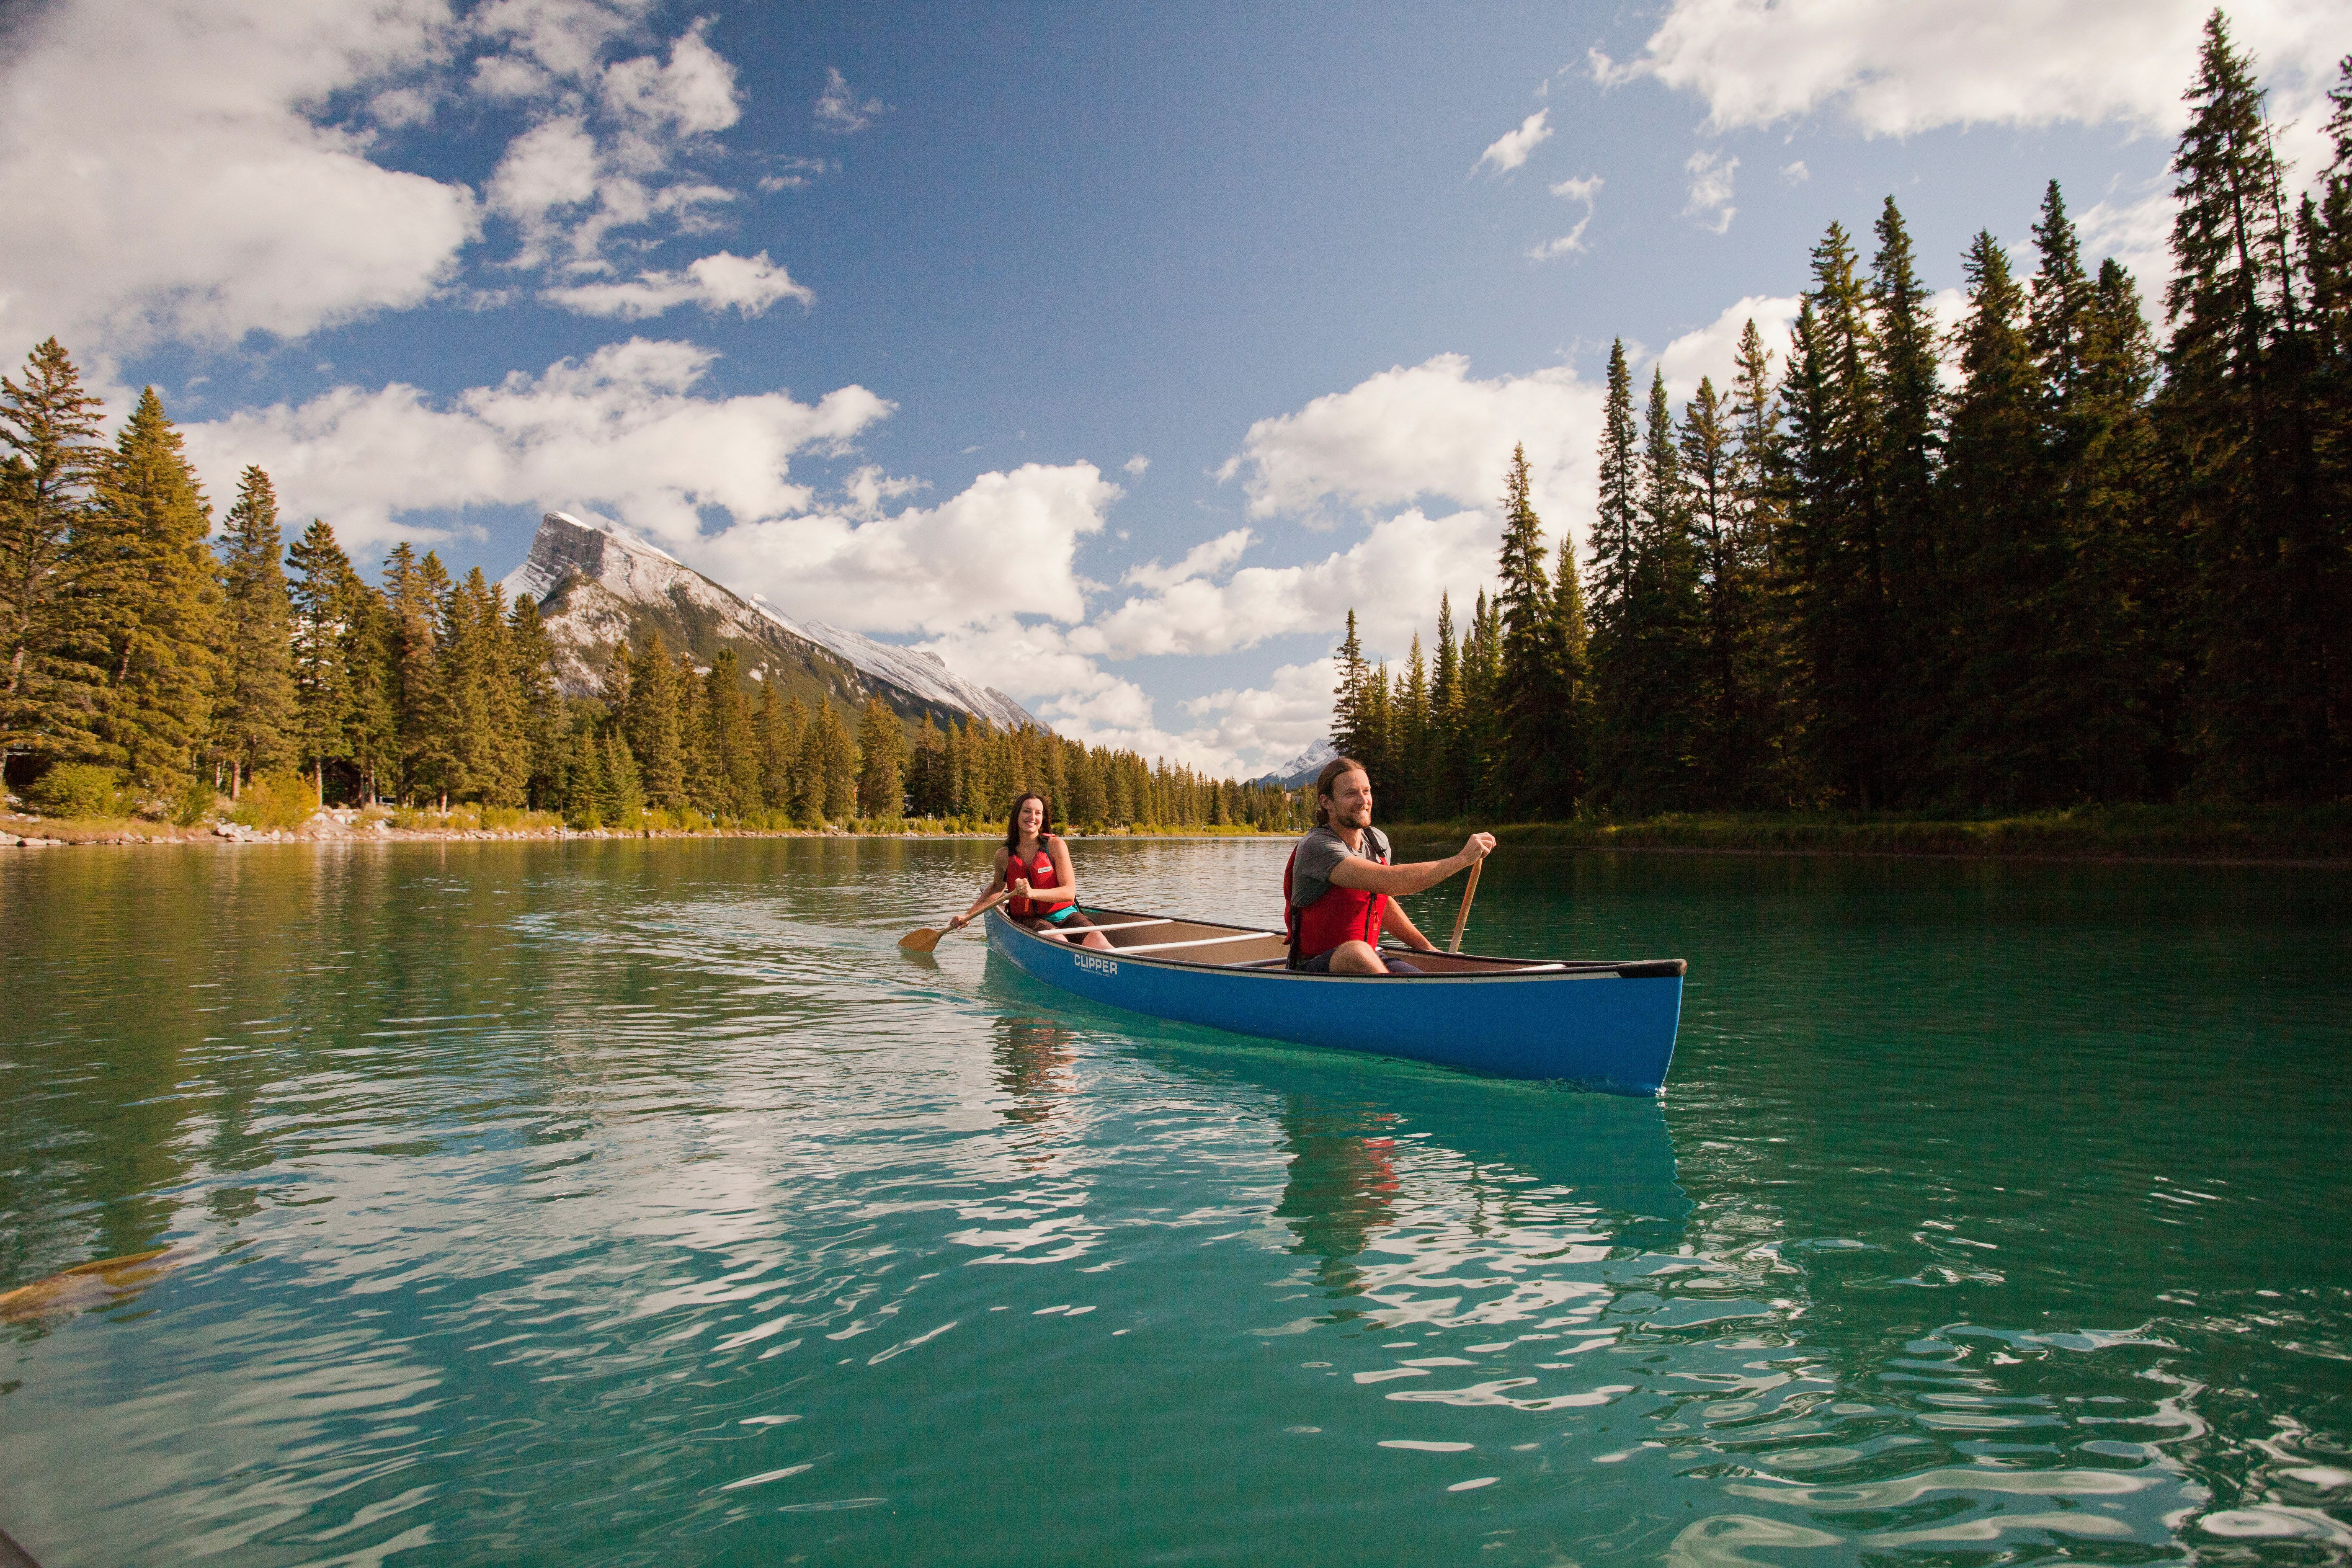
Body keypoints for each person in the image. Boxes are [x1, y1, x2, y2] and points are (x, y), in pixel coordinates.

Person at [1284, 756, 1493, 974]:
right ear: (1326, 802)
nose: (1362, 800)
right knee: (1356, 952)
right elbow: (1390, 881)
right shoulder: (1317, 846)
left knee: (1407, 971)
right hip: (1313, 968)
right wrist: (1461, 860)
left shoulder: (1377, 842)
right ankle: (1397, 996)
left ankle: (1407, 995)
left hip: (1369, 957)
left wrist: (1427, 949)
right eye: (1350, 794)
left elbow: (1383, 901)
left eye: (1366, 791)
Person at [949, 792, 1114, 951]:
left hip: (1066, 914)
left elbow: (1069, 893)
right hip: (1030, 919)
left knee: (1098, 940)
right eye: (1027, 811)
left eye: (1038, 813)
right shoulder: (1003, 855)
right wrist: (968, 915)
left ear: (1043, 818)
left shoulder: (1056, 846)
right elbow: (996, 888)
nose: (1032, 817)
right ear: (1017, 815)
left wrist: (1032, 893)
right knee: (1059, 941)